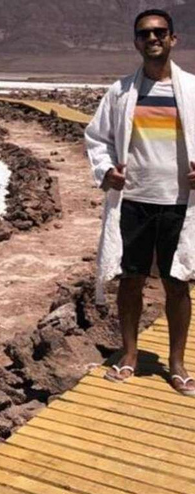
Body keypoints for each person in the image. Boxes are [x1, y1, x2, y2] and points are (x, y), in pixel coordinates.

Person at [85, 9, 195, 396]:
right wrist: (104, 172)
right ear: (135, 41)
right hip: (133, 199)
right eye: (145, 33)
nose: (153, 39)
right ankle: (129, 354)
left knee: (177, 282)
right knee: (130, 280)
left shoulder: (193, 91)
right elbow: (97, 138)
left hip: (180, 202)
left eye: (160, 32)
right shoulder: (119, 93)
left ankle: (178, 363)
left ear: (173, 38)